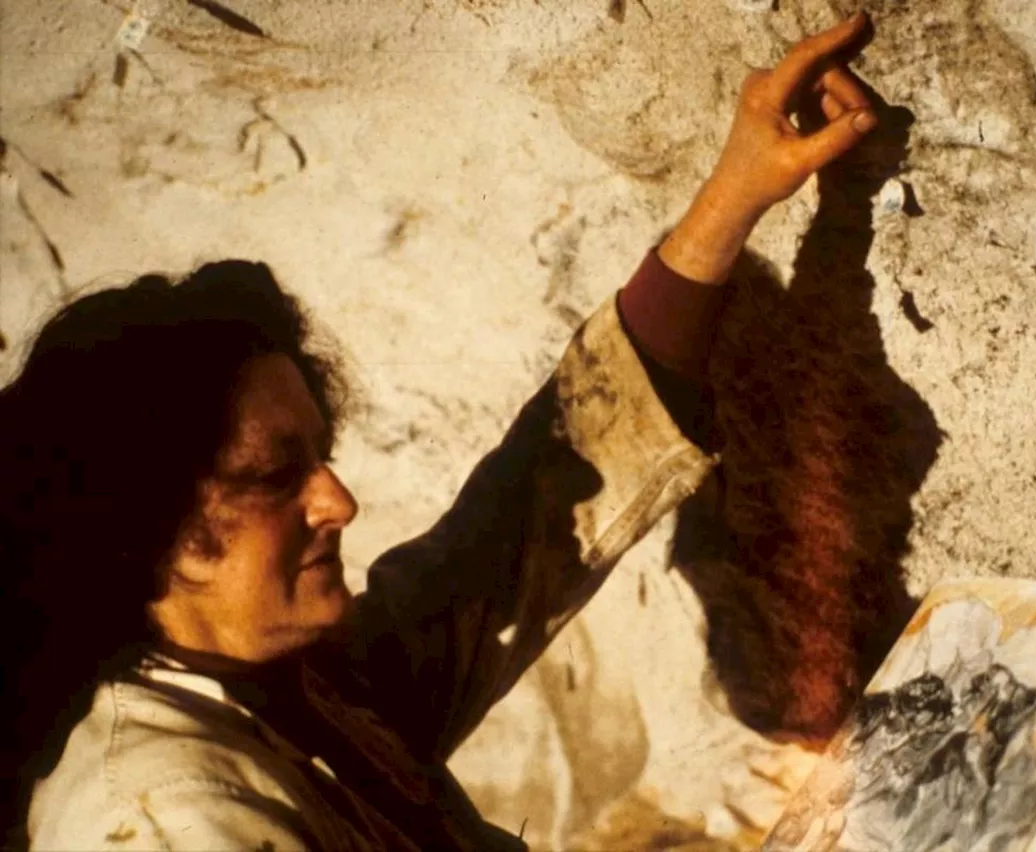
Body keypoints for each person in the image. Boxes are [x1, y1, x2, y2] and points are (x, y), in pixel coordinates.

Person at [1, 13, 880, 850]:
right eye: (275, 477)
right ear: (143, 528)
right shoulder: (166, 820)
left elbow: (526, 519)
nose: (338, 501)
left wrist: (733, 194)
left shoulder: (306, 680)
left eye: (323, 458)